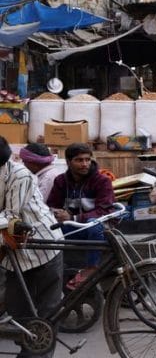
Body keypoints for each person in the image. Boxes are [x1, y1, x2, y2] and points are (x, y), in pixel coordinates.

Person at [0, 136, 64, 358]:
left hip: (42, 246)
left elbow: (10, 217)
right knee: (18, 310)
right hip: (13, 250)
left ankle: (37, 355)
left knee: (47, 310)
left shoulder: (20, 175)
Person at [46, 143, 115, 289]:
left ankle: (91, 269)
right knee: (47, 230)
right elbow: (51, 205)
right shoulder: (61, 181)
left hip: (97, 230)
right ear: (68, 162)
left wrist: (73, 218)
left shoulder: (102, 181)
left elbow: (104, 211)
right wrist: (57, 213)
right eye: (79, 160)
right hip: (74, 229)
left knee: (94, 224)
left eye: (87, 160)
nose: (85, 164)